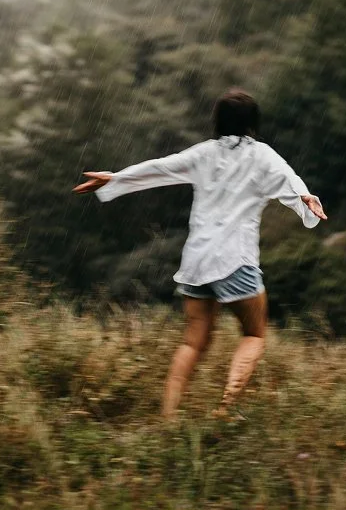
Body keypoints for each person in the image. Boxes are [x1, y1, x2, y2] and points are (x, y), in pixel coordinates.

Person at [73, 88, 326, 421]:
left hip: (197, 262)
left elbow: (160, 169)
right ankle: (225, 408)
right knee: (253, 335)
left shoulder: (205, 154)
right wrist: (305, 198)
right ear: (252, 123)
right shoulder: (262, 156)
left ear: (217, 120)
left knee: (193, 343)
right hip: (236, 261)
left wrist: (115, 178)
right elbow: (289, 181)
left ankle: (169, 417)